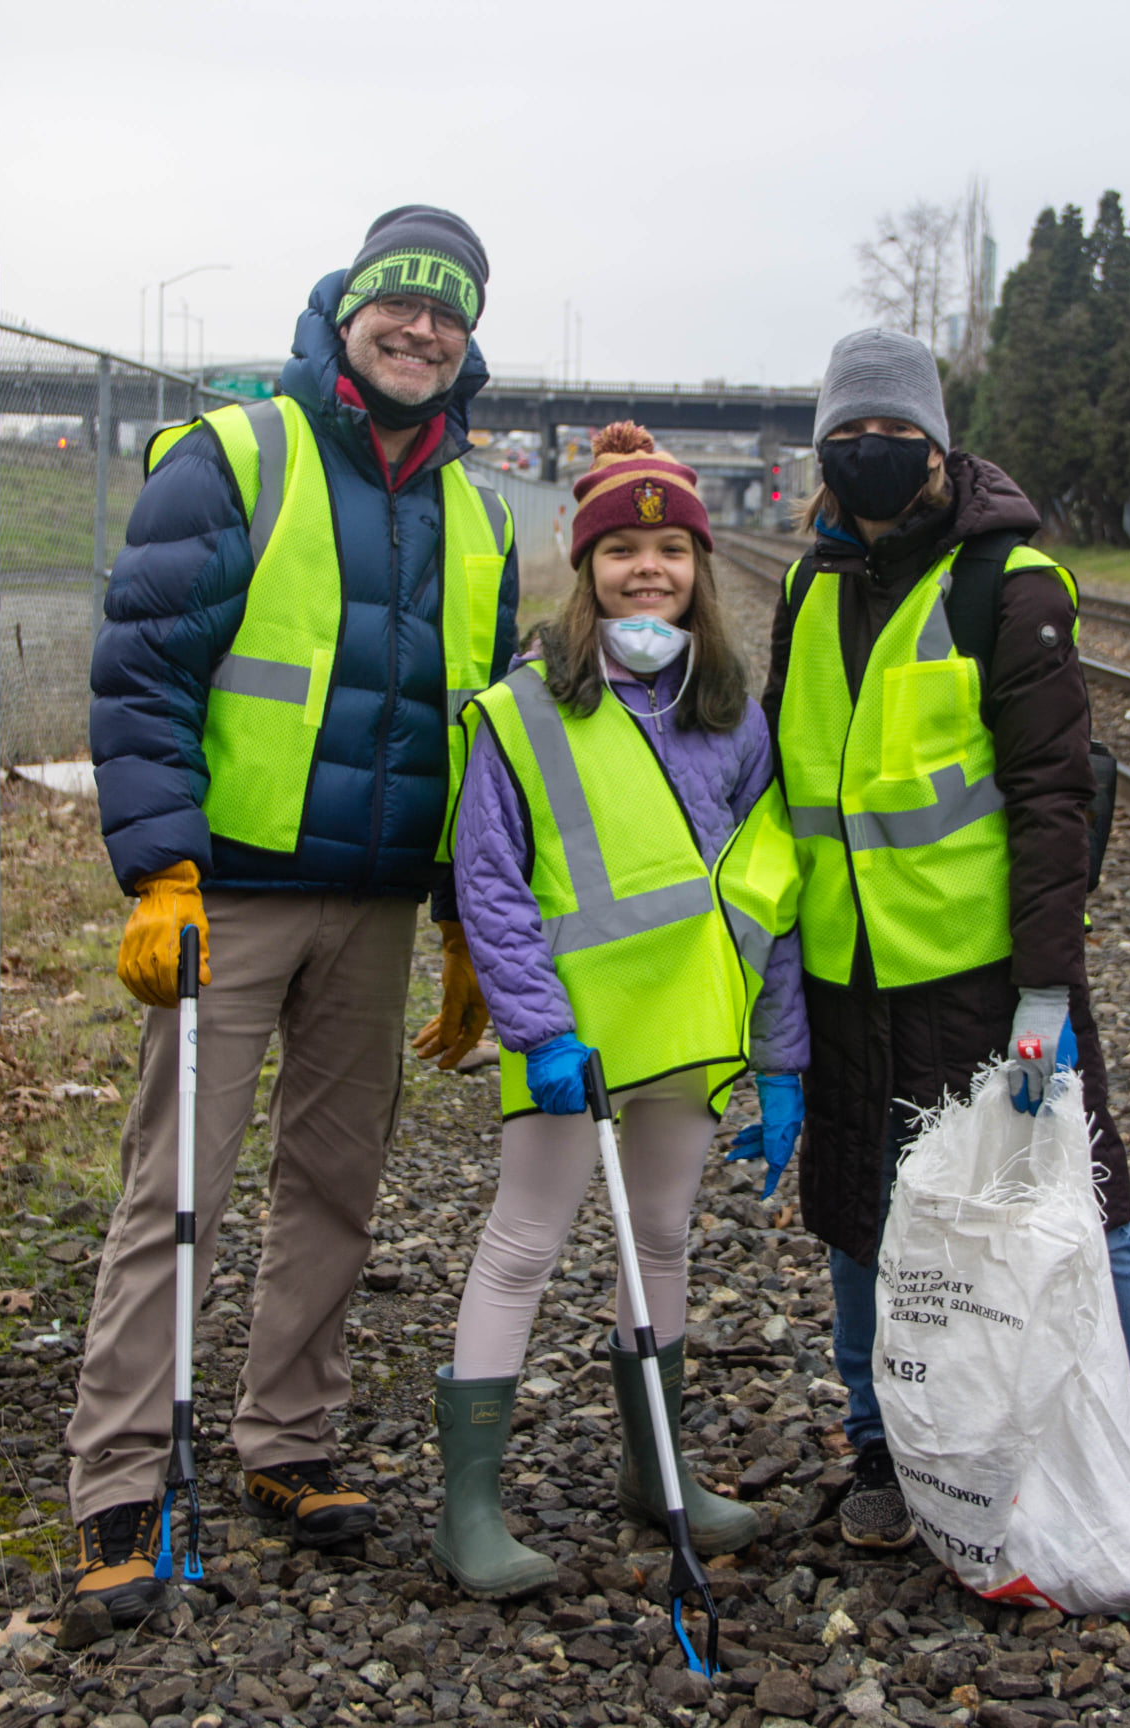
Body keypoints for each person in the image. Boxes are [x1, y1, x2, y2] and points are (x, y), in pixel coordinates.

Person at [70, 206, 519, 1622]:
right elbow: (144, 670)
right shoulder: (239, 455)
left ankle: (287, 1441)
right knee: (176, 1193)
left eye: (448, 314)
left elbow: (486, 738)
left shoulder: (481, 514)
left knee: (336, 1180)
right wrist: (161, 869)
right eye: (401, 305)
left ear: (467, 339)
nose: (421, 331)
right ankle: (119, 1486)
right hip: (233, 891)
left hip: (376, 902)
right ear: (350, 312)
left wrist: (465, 915)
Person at [763, 328, 1130, 1554]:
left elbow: (1053, 799)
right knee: (857, 1213)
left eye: (897, 434)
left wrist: (1047, 986)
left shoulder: (1009, 586)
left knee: (1077, 1198)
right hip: (849, 975)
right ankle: (881, 1447)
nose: (872, 453)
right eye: (850, 435)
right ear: (824, 452)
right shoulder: (809, 588)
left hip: (984, 979)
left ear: (939, 448)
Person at [423, 424, 809, 1598]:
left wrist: (779, 1055)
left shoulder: (733, 720)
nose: (649, 570)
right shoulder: (524, 710)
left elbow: (768, 893)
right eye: (622, 549)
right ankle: (468, 1513)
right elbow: (489, 882)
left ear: (697, 566)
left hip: (685, 1043)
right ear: (585, 567)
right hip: (573, 1047)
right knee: (523, 1248)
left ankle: (659, 1475)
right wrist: (537, 1032)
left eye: (671, 549)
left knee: (659, 1244)